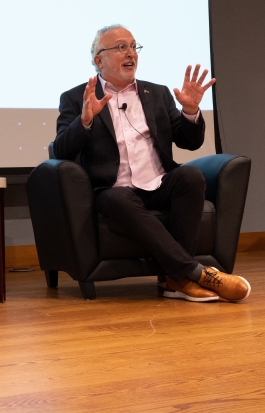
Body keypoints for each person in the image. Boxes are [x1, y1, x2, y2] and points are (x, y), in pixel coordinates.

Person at [53, 24, 251, 303]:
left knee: (190, 177)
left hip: (158, 182)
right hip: (113, 189)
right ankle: (193, 273)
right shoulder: (77, 98)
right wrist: (84, 121)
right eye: (121, 47)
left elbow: (189, 142)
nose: (130, 53)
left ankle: (177, 279)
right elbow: (60, 151)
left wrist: (191, 111)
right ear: (99, 59)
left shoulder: (156, 94)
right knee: (120, 198)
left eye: (134, 46)